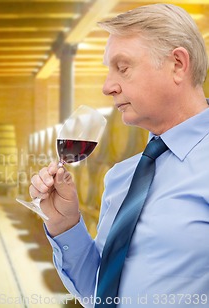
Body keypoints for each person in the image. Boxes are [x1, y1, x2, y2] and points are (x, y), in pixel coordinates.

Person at [29, 4, 209, 308]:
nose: (107, 87)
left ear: (178, 64)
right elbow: (99, 293)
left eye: (122, 68)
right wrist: (66, 225)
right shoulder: (121, 177)